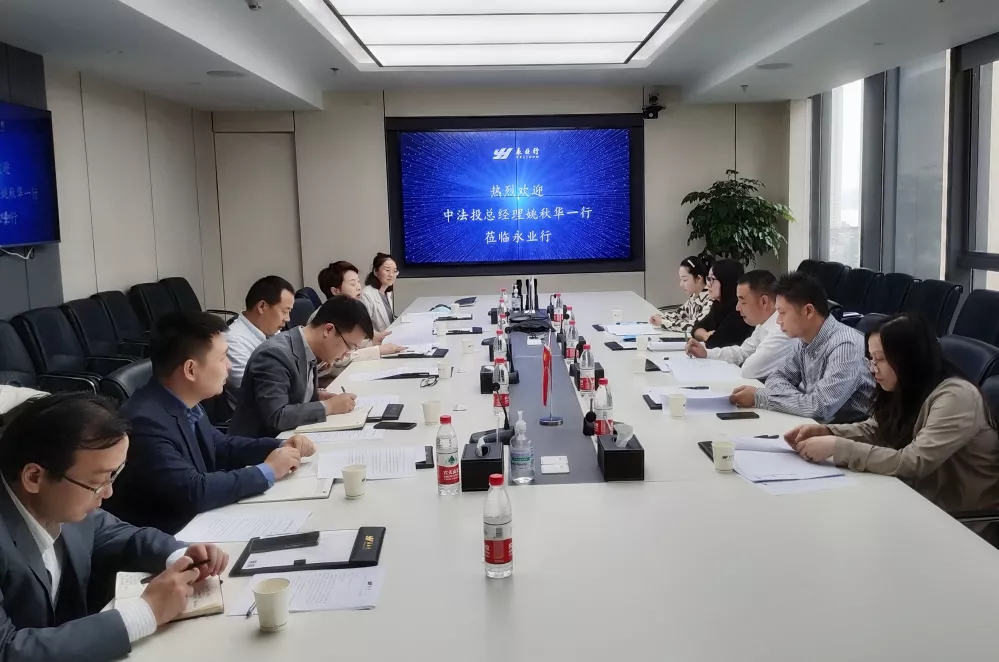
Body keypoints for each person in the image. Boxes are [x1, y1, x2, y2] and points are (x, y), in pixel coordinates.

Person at [0, 392, 229, 662]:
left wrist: (182, 557)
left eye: (114, 475)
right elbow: (7, 651)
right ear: (34, 477)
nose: (108, 492)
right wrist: (146, 613)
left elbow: (121, 536)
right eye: (98, 481)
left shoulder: (62, 499)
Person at [105, 312, 315, 534]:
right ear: (190, 370)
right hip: (172, 536)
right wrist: (268, 470)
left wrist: (279, 446)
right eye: (223, 358)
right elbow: (193, 491)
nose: (229, 366)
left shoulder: (182, 400)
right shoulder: (144, 422)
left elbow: (219, 446)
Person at [785, 314, 999, 514]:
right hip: (918, 499)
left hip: (960, 519)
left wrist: (838, 447)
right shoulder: (909, 386)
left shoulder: (956, 397)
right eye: (871, 359)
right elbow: (878, 428)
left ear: (908, 360)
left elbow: (913, 462)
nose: (873, 368)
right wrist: (827, 431)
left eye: (880, 359)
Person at [730, 272, 875, 423]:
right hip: (813, 424)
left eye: (782, 313)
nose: (778, 321)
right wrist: (801, 401)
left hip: (850, 431)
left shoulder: (845, 346)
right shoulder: (804, 340)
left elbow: (819, 408)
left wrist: (761, 397)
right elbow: (776, 377)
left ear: (808, 311)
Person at [230, 296, 374, 438]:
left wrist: (316, 397)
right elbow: (276, 417)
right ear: (328, 330)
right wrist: (329, 406)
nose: (347, 354)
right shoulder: (274, 354)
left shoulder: (307, 348)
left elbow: (292, 394)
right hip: (261, 445)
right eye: (349, 346)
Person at [685, 270, 793, 379]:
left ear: (763, 302)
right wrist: (706, 354)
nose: (737, 308)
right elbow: (742, 352)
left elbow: (750, 370)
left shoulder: (781, 331)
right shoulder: (763, 325)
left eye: (743, 302)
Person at [317, 261, 405, 376]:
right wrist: (377, 350)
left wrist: (373, 341)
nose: (359, 287)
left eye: (358, 282)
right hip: (335, 377)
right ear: (335, 291)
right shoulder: (325, 316)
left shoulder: (348, 310)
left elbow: (349, 348)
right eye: (353, 284)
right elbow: (338, 359)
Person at [224, 275, 296, 407]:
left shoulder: (271, 331)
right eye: (285, 311)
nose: (288, 319)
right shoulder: (234, 341)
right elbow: (261, 390)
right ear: (262, 306)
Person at [689, 258, 754, 349]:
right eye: (708, 279)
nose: (708, 285)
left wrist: (709, 337)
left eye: (712, 279)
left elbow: (715, 343)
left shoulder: (739, 309)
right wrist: (706, 335)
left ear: (726, 281)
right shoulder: (718, 304)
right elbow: (696, 328)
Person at [649, 256, 713, 335]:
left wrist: (663, 322)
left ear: (699, 278)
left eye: (685, 280)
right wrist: (660, 317)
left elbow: (695, 327)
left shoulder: (710, 300)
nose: (681, 284)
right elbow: (678, 314)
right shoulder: (694, 297)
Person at [359, 252, 398, 333]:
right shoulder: (366, 294)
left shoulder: (387, 293)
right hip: (378, 339)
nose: (391, 275)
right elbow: (363, 327)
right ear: (376, 272)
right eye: (387, 270)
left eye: (394, 271)